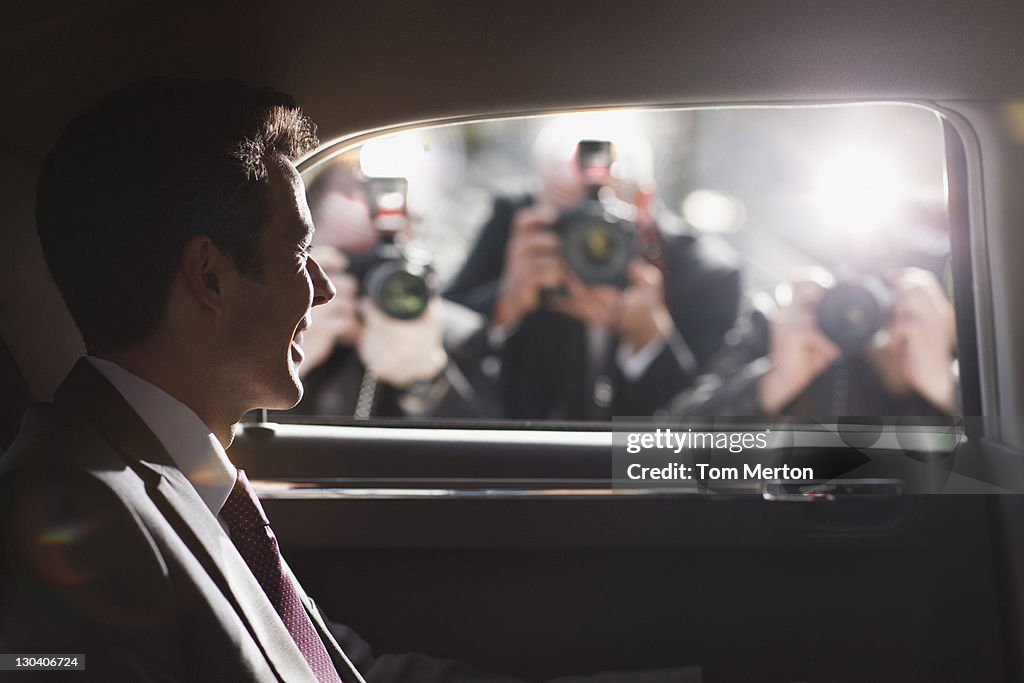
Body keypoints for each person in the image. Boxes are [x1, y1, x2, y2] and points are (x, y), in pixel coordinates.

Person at [0, 78, 698, 683]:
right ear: (211, 276)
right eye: (301, 253)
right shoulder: (63, 519)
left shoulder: (185, 479)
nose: (327, 290)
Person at [445, 130, 742, 420]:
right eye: (570, 218)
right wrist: (503, 306)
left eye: (606, 219)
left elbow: (706, 433)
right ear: (539, 196)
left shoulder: (708, 274)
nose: (589, 239)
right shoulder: (517, 226)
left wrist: (648, 339)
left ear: (643, 202)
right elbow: (438, 331)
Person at [289, 165, 498, 419]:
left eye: (386, 263)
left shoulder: (461, 335)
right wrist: (288, 357)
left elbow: (498, 452)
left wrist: (427, 383)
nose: (371, 280)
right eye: (351, 262)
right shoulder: (271, 337)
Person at [667, 268, 959, 417]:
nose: (859, 310)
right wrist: (774, 383)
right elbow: (654, 457)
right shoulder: (778, 322)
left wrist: (947, 388)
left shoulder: (956, 341)